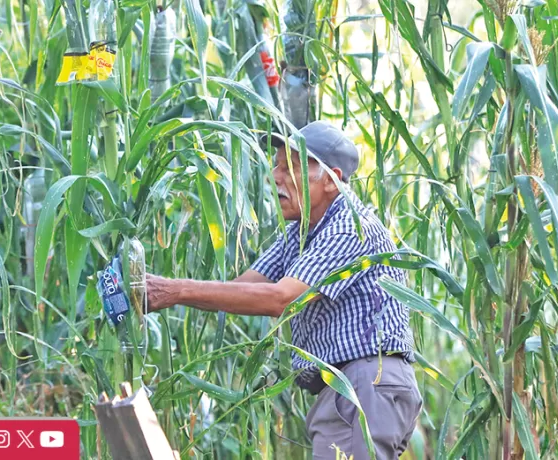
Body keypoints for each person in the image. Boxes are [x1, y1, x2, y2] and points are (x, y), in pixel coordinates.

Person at [145, 121, 422, 459]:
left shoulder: (351, 225)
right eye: (276, 166)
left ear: (332, 181)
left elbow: (282, 298)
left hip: (365, 383)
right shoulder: (301, 233)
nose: (275, 176)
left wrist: (174, 291)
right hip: (352, 387)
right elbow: (242, 289)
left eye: (290, 167)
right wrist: (159, 289)